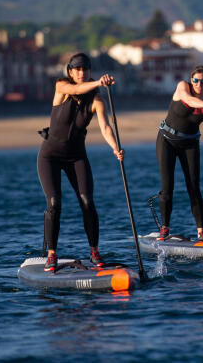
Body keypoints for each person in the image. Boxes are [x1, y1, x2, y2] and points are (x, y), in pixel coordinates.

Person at [37, 52, 124, 273]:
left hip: (76, 156)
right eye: (77, 69)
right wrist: (99, 82)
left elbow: (105, 127)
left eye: (85, 69)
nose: (81, 73)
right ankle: (51, 254)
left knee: (87, 202)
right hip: (50, 156)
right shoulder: (62, 86)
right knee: (55, 202)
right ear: (70, 71)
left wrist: (115, 148)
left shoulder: (97, 100)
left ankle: (94, 251)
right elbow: (76, 90)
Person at [156, 65, 203, 242]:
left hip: (190, 143)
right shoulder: (183, 87)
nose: (199, 84)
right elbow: (189, 100)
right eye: (196, 80)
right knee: (168, 187)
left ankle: (201, 230)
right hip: (167, 140)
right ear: (191, 80)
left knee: (194, 187)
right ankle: (165, 228)